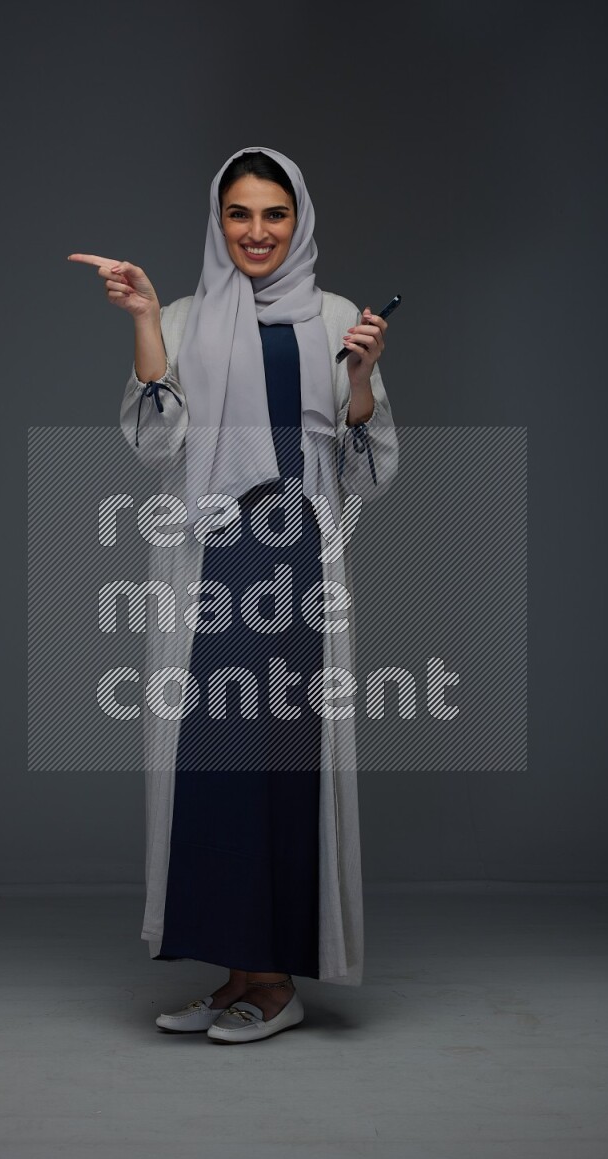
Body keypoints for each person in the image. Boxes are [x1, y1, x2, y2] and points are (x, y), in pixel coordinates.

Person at [68, 145, 398, 1043]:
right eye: (240, 213)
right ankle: (235, 972)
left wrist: (362, 377)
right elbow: (154, 446)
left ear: (300, 222)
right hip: (209, 569)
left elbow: (368, 474)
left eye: (274, 214)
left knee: (283, 771)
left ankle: (277, 981)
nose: (257, 232)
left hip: (296, 574)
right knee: (210, 769)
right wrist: (141, 318)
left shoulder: (334, 317)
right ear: (219, 222)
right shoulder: (183, 316)